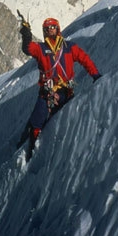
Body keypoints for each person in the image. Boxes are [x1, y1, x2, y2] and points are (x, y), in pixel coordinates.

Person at [18, 16, 102, 159]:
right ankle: (31, 149)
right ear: (44, 31)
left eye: (53, 27)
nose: (51, 30)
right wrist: (27, 35)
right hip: (47, 93)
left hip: (66, 92)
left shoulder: (70, 47)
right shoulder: (41, 49)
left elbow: (85, 59)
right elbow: (27, 49)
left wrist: (95, 75)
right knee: (37, 120)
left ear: (58, 29)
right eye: (48, 28)